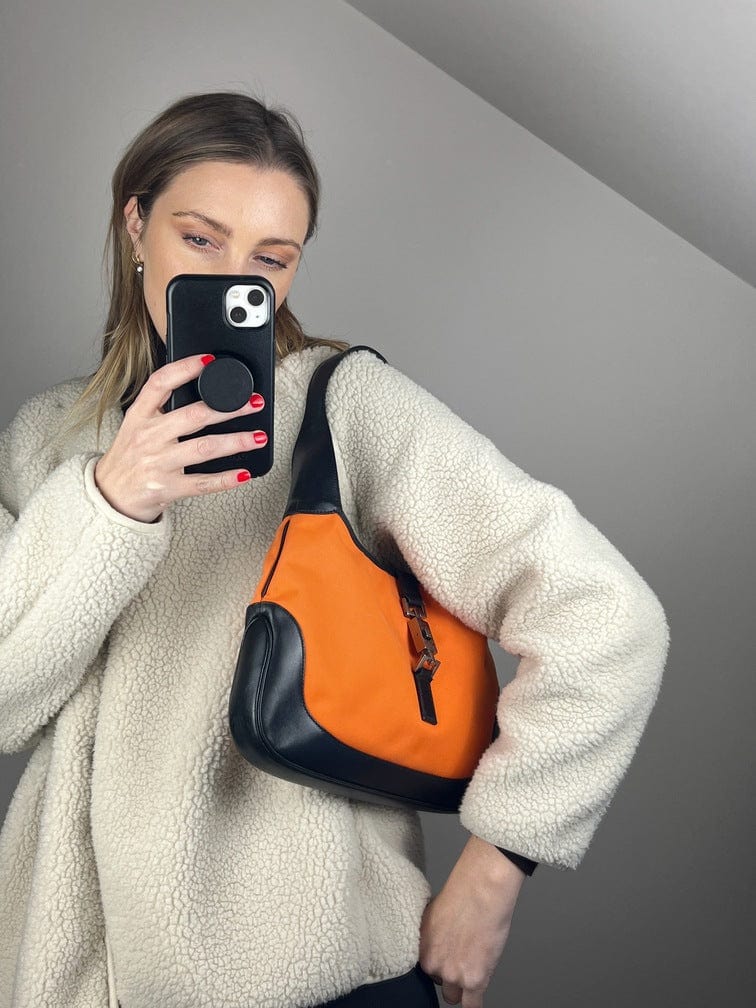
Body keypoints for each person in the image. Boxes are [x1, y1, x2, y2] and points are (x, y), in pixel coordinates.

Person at [0, 91, 670, 1008]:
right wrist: (112, 502)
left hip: (308, 978)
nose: (234, 279)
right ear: (136, 224)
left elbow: (605, 614)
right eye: (200, 239)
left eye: (270, 258)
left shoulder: (343, 409)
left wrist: (496, 870)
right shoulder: (48, 440)